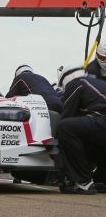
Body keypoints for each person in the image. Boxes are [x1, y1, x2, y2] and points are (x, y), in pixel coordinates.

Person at [57, 65, 106, 194]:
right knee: (92, 139)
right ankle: (102, 179)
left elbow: (66, 116)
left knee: (65, 127)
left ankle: (83, 181)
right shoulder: (97, 82)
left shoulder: (76, 83)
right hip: (102, 122)